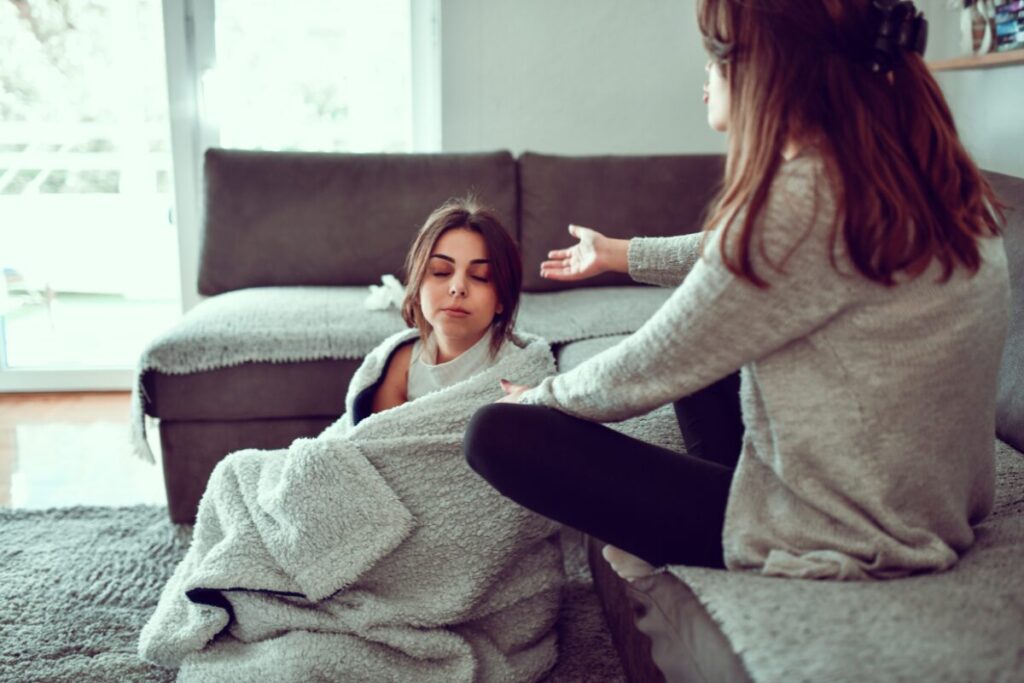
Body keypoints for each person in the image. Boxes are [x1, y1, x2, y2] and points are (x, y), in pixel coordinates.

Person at [463, 0, 1011, 581]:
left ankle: (709, 541)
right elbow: (734, 259)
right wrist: (619, 254)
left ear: (763, 70)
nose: (705, 74)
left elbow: (649, 365)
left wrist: (536, 398)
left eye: (714, 56)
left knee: (495, 434)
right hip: (931, 503)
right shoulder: (924, 176)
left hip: (849, 532)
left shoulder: (801, 203)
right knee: (710, 345)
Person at [351, 195, 523, 423]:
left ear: (502, 298)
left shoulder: (519, 370)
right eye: (441, 271)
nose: (458, 288)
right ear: (418, 286)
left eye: (480, 277)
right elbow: (379, 445)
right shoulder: (401, 363)